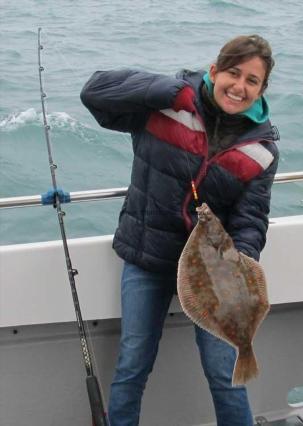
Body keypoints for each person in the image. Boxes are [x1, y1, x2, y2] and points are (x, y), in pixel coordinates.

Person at [81, 34, 279, 426]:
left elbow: (251, 218)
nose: (239, 87)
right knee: (133, 362)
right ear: (214, 71)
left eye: (252, 81)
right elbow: (95, 92)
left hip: (215, 270)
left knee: (226, 375)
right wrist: (165, 89)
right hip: (148, 256)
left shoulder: (263, 148)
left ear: (261, 89)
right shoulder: (166, 105)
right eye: (233, 73)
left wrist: (241, 265)